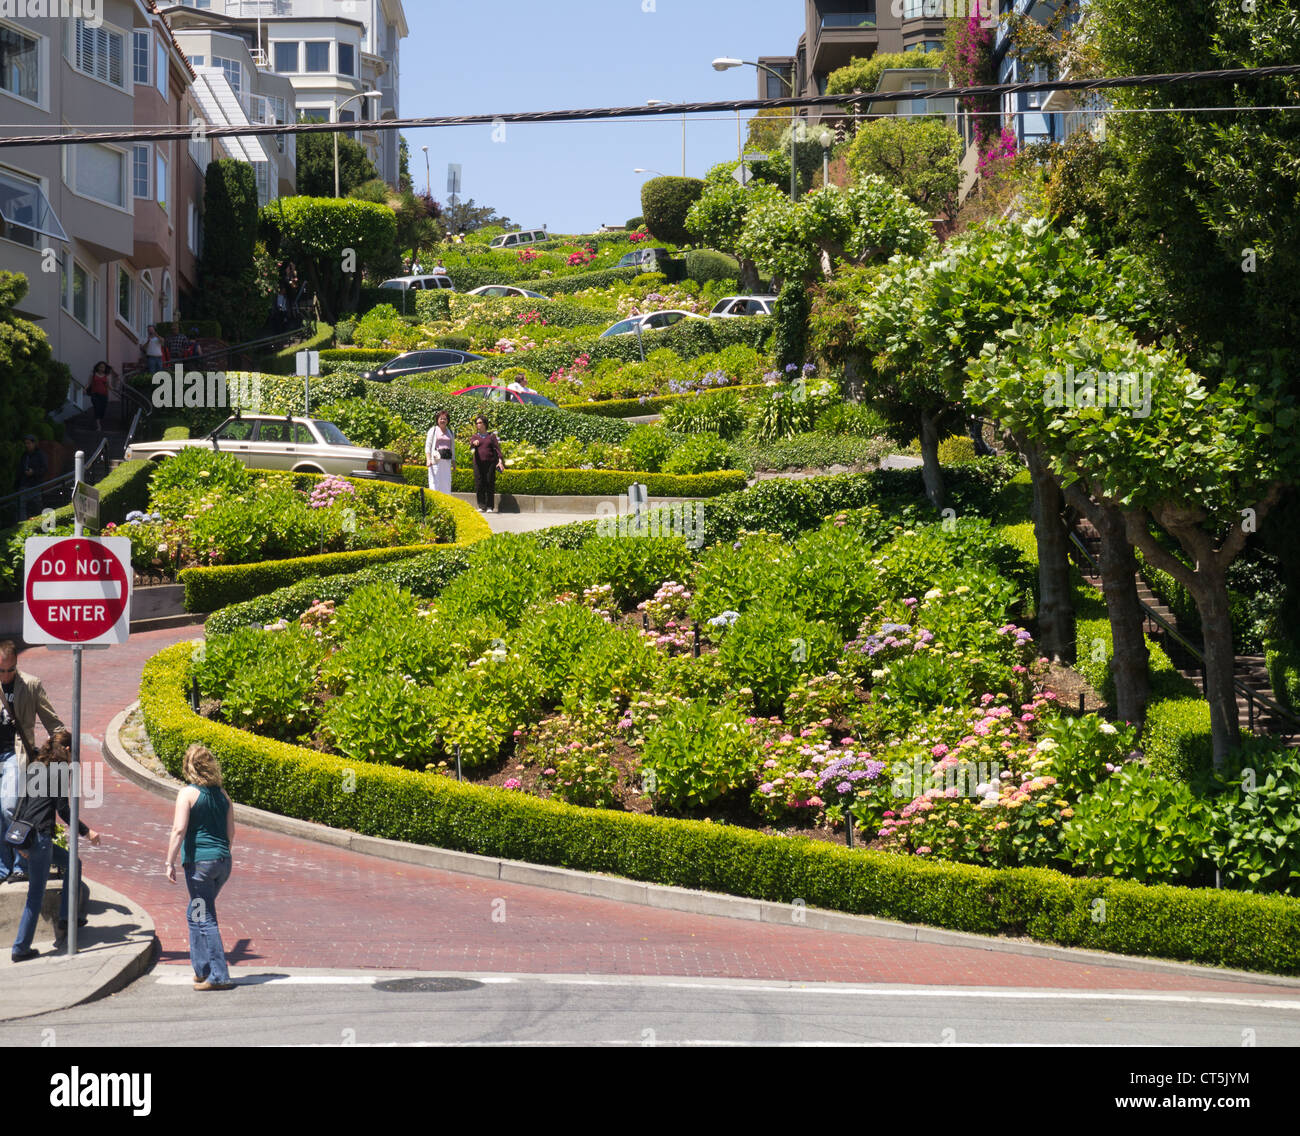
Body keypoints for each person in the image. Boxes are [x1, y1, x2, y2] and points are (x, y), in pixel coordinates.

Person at [9, 732, 100, 962]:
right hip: (40, 838)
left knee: (73, 863)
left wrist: (17, 840)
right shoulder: (59, 772)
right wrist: (86, 831)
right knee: (35, 895)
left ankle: (67, 917)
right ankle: (20, 948)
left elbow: (21, 803)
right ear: (67, 750)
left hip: (27, 836)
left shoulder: (37, 766)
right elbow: (63, 810)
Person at [165, 743, 236, 990]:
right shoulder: (223, 795)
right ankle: (201, 968)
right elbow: (230, 834)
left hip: (199, 865)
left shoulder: (187, 794)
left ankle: (218, 974)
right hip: (223, 862)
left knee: (204, 916)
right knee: (195, 911)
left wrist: (169, 861)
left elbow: (179, 829)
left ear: (189, 767)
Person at [0, 641, 64, 885]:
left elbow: (54, 725)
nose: (6, 675)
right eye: (1, 671)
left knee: (9, 806)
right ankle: (4, 868)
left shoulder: (31, 685)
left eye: (10, 670)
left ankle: (21, 862)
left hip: (15, 754)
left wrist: (58, 752)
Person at [468, 415, 504, 513]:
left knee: (489, 483)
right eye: (476, 423)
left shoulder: (491, 436)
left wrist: (500, 461)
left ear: (485, 424)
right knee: (479, 484)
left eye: (479, 423)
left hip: (490, 464)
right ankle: (481, 505)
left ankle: (489, 507)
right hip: (478, 464)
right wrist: (473, 443)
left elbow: (497, 449)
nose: (477, 425)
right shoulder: (475, 436)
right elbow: (470, 445)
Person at [16, 434, 47, 522]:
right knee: (22, 505)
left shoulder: (40, 455)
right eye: (26, 443)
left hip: (35, 483)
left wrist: (33, 472)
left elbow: (44, 469)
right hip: (24, 483)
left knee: (37, 505)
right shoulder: (25, 455)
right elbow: (20, 468)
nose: (27, 445)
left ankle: (39, 522)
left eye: (29, 443)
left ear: (34, 444)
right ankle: (23, 524)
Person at [424, 410, 455, 495]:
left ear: (447, 421)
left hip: (447, 461)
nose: (442, 421)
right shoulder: (433, 430)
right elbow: (428, 446)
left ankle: (446, 502)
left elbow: (452, 448)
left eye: (445, 419)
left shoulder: (450, 432)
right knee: (435, 482)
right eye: (441, 419)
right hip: (436, 460)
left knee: (446, 482)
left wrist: (453, 462)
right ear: (437, 420)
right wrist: (428, 459)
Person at [81, 361, 117, 433]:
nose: (102, 368)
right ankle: (98, 425)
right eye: (100, 367)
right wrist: (85, 389)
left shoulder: (106, 377)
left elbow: (109, 386)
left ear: (105, 368)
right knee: (97, 408)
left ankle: (98, 420)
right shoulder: (93, 375)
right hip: (95, 395)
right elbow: (89, 383)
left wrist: (115, 389)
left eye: (103, 367)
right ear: (97, 367)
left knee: (102, 410)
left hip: (104, 395)